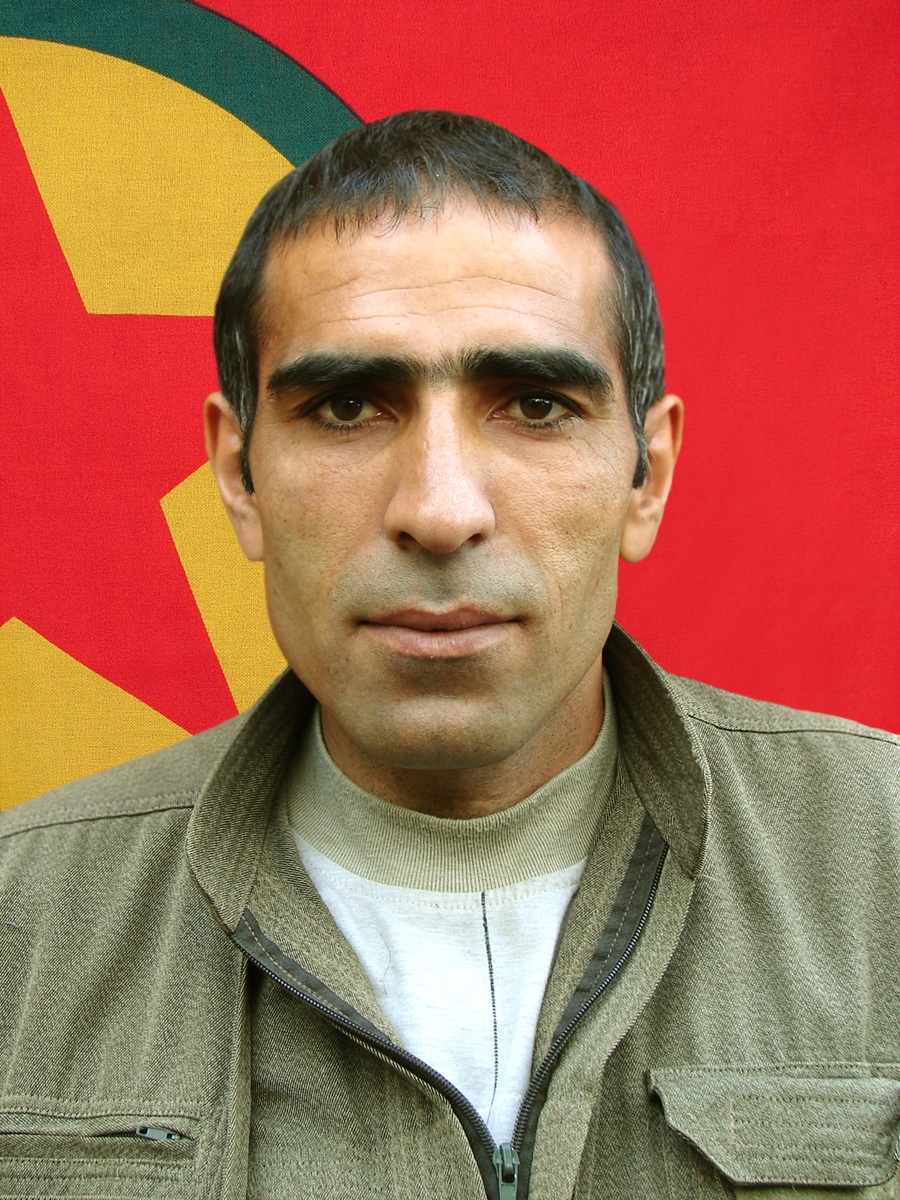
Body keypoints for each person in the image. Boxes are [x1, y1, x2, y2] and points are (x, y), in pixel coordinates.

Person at [1, 111, 898, 1200]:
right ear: (239, 477)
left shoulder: (880, 862)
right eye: (346, 407)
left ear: (646, 475)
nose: (437, 509)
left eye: (535, 405)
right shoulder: (23, 926)